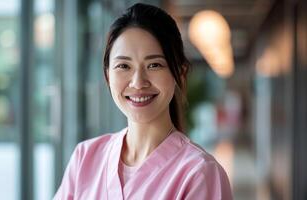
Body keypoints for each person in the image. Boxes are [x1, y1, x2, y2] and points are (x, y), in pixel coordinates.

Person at [54, 3, 232, 200]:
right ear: (107, 76)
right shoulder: (85, 158)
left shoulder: (199, 174)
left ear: (180, 75)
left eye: (154, 65)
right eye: (123, 66)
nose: (138, 82)